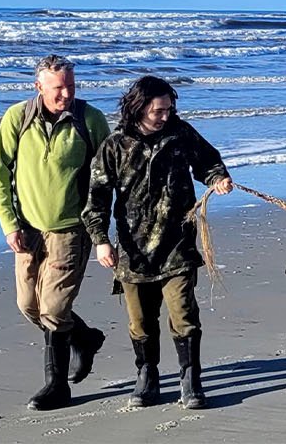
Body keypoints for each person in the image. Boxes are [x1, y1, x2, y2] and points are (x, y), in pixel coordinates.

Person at [83, 76, 233, 410]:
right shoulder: (115, 146)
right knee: (140, 321)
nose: (166, 115)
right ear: (139, 108)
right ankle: (147, 376)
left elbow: (207, 161)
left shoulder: (181, 134)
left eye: (169, 108)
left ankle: (190, 380)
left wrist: (218, 178)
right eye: (159, 110)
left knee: (183, 314)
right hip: (133, 251)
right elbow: (96, 198)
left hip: (178, 243)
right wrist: (100, 241)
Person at [0, 54, 112, 411]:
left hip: (71, 230)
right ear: (38, 86)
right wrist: (9, 224)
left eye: (71, 86)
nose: (65, 94)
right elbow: (0, 175)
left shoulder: (90, 120)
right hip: (27, 230)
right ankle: (85, 338)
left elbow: (107, 177)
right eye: (58, 87)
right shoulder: (17, 118)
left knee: (55, 309)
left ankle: (56, 386)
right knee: (28, 305)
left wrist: (102, 231)